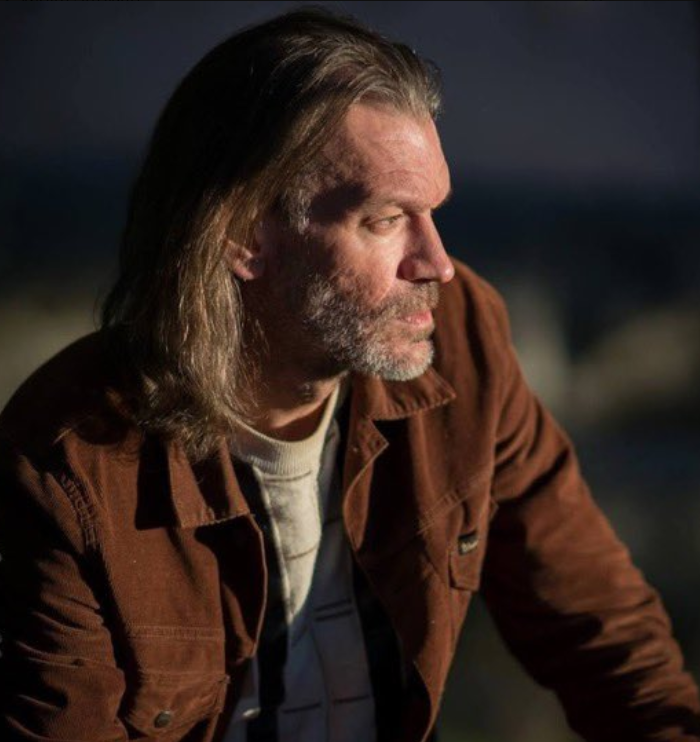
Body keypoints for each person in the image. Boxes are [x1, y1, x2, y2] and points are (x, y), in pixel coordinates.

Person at [0, 7, 698, 742]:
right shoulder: (69, 467)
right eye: (386, 220)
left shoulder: (464, 338)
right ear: (243, 237)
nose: (437, 264)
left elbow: (602, 630)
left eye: (433, 213)